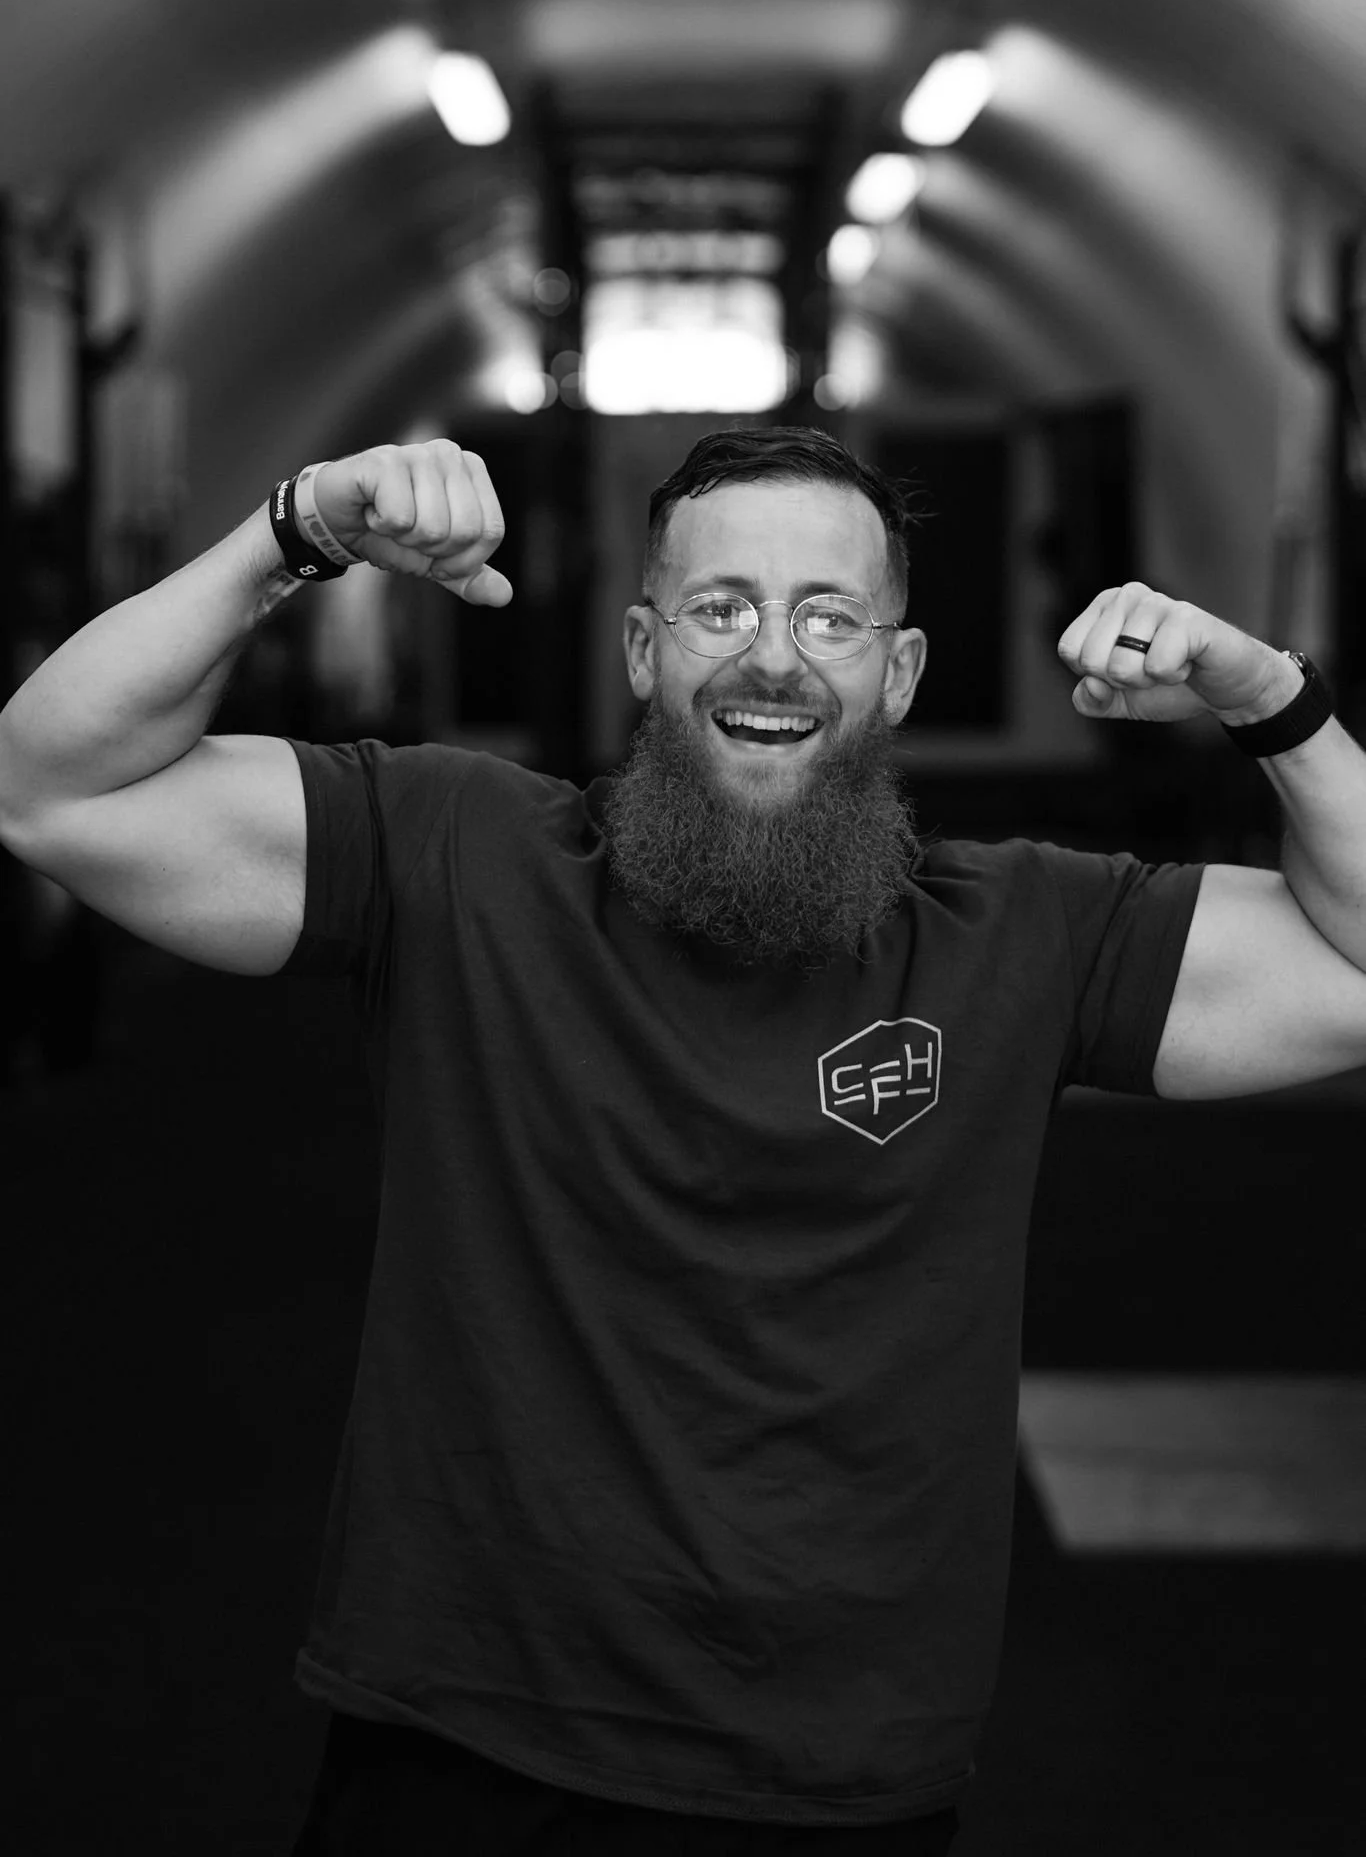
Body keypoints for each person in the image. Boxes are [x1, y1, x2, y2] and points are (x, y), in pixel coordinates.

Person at [1, 426, 1363, 1855]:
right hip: (468, 1733)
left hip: (835, 1763)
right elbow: (55, 788)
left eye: (828, 618)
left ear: (897, 675)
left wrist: (1266, 695)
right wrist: (293, 531)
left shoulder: (1025, 930)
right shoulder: (460, 854)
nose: (772, 658)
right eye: (720, 609)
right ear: (644, 652)